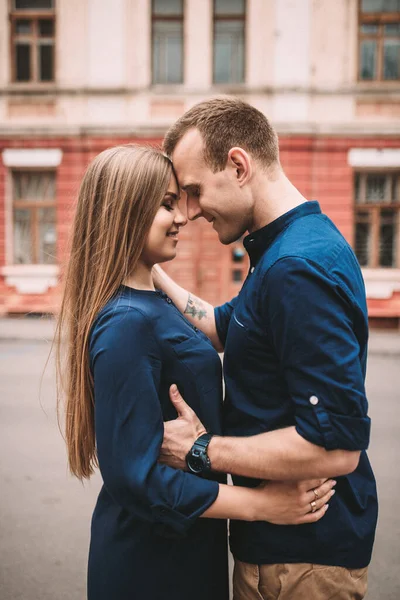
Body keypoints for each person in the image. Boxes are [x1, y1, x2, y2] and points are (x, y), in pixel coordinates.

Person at [55, 144, 334, 600]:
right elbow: (134, 477)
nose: (184, 216)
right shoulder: (126, 322)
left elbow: (217, 327)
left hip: (188, 543)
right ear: (125, 213)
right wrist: (263, 505)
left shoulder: (152, 300)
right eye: (167, 204)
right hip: (151, 563)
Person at [153, 97, 378, 600]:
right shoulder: (281, 249)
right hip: (282, 552)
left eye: (193, 191)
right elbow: (219, 326)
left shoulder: (297, 268)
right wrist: (148, 268)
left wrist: (198, 450)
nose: (188, 212)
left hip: (303, 560)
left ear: (238, 165)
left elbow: (337, 446)